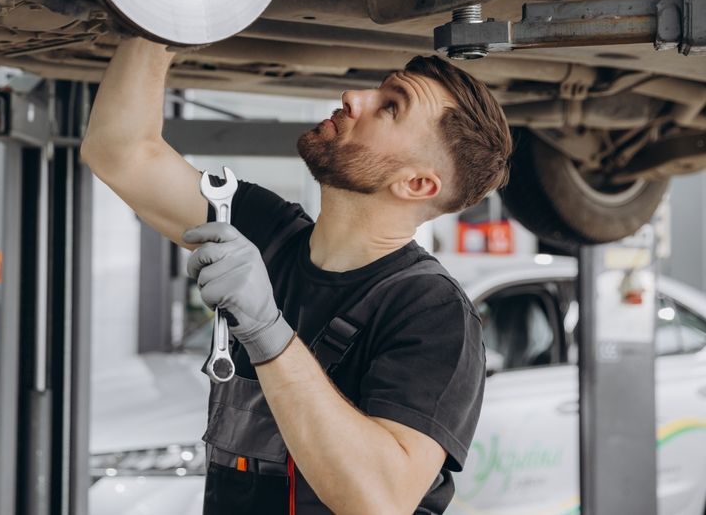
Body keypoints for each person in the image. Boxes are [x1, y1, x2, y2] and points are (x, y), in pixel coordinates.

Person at [80, 37, 513, 515]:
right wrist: (160, 18)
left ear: (416, 184)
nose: (354, 98)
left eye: (390, 107)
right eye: (378, 90)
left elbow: (380, 500)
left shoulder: (434, 313)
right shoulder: (269, 231)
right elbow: (120, 152)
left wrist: (267, 330)